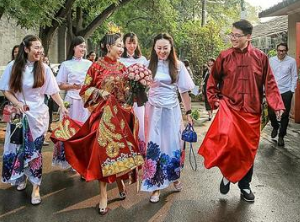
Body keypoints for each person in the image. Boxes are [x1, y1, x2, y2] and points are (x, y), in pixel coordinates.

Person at [52, 32, 144, 215]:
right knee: (103, 154)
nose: (121, 49)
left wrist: (137, 88)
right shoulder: (96, 67)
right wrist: (99, 92)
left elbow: (126, 95)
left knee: (121, 151)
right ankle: (103, 195)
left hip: (121, 116)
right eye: (118, 45)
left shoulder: (123, 68)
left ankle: (119, 181)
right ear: (108, 46)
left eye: (122, 46)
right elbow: (84, 90)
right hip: (102, 117)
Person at [198, 20, 284, 203]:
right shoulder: (224, 56)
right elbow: (212, 81)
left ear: (248, 37)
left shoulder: (261, 58)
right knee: (229, 145)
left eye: (237, 35)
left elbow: (270, 83)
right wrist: (215, 100)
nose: (233, 38)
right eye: (232, 35)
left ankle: (245, 185)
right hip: (230, 109)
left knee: (248, 150)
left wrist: (277, 105)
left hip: (252, 112)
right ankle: (227, 175)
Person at [0, 35, 69, 205]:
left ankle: (36, 187)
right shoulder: (13, 67)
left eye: (40, 47)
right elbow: (6, 90)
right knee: (17, 148)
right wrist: (17, 103)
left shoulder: (44, 68)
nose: (39, 51)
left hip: (39, 117)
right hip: (19, 117)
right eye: (36, 47)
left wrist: (62, 106)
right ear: (26, 49)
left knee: (35, 152)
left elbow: (53, 92)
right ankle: (20, 177)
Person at [141, 33, 195, 203]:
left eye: (165, 48)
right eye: (159, 48)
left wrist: (188, 113)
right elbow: (139, 88)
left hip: (172, 111)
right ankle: (155, 186)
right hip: (153, 110)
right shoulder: (147, 65)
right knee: (154, 145)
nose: (162, 51)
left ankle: (174, 177)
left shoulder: (178, 66)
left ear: (171, 48)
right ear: (154, 48)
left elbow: (184, 91)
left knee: (173, 144)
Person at [53, 36, 92, 167]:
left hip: (85, 102)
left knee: (84, 129)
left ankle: (83, 160)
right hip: (71, 101)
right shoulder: (66, 64)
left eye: (84, 46)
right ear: (74, 47)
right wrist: (72, 86)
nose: (83, 49)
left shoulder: (89, 64)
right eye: (81, 46)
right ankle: (69, 159)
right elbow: (59, 85)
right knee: (70, 130)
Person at [119, 32, 148, 154]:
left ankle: (139, 149)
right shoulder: (119, 59)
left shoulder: (142, 59)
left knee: (139, 120)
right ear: (124, 44)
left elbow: (147, 78)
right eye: (129, 43)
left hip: (138, 96)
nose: (132, 46)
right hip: (123, 97)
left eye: (134, 43)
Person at [268, 43, 297, 146]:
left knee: (284, 114)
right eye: (279, 50)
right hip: (273, 91)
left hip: (286, 91)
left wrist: (291, 90)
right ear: (277, 50)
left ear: (286, 51)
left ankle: (281, 136)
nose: (281, 52)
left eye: (283, 50)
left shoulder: (291, 61)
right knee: (271, 113)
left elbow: (294, 76)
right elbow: (267, 75)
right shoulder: (271, 60)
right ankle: (275, 126)